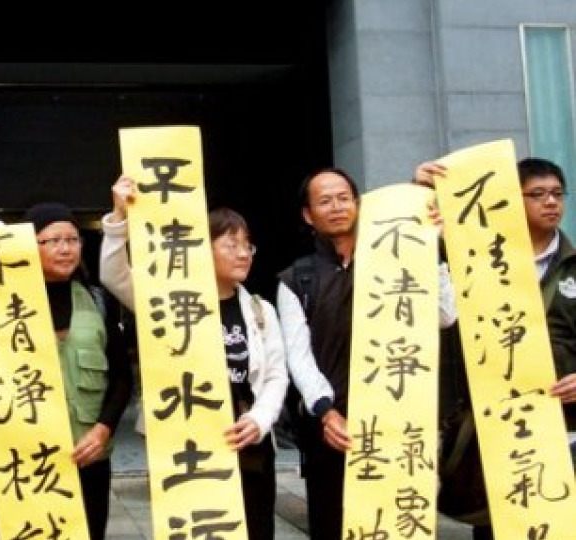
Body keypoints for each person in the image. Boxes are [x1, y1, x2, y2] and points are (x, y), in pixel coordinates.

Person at [98, 176, 289, 539]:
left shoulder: (259, 310)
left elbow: (276, 374)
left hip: (248, 444)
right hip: (189, 447)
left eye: (248, 245)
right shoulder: (169, 302)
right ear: (202, 248)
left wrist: (260, 419)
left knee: (255, 529)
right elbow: (114, 275)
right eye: (231, 244)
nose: (244, 254)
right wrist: (118, 218)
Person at [275, 168, 457, 540]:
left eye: (344, 198)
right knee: (332, 522)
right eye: (325, 201)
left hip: (397, 420)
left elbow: (444, 315)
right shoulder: (298, 279)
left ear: (358, 204)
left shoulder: (395, 260)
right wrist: (326, 412)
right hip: (332, 427)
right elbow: (298, 357)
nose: (337, 207)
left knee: (399, 523)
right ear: (308, 215)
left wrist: (432, 249)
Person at [0, 201, 133, 540]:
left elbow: (121, 375)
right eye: (53, 240)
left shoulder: (96, 299)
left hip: (87, 452)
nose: (66, 249)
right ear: (29, 246)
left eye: (72, 240)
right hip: (24, 455)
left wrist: (103, 430)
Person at [415, 157, 576, 540]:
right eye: (537, 194)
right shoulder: (479, 256)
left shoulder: (573, 266)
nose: (550, 202)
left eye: (557, 194)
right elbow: (434, 294)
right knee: (499, 524)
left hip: (565, 423)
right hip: (496, 424)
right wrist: (420, 191)